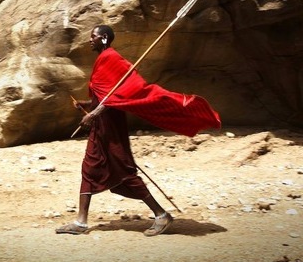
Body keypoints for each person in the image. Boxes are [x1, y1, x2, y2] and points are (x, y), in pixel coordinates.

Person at [56, 25, 221, 236]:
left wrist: (94, 114)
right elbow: (104, 97)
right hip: (100, 127)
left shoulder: (112, 58)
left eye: (93, 36)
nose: (90, 40)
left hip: (111, 127)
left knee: (124, 171)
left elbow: (118, 96)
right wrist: (86, 104)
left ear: (104, 38)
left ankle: (161, 215)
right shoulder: (101, 60)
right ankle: (81, 222)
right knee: (89, 169)